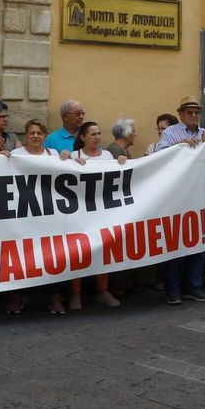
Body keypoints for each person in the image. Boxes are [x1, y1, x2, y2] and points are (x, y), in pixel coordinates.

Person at [152, 97, 205, 304]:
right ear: (180, 114)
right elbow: (159, 157)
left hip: (198, 194)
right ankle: (173, 288)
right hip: (175, 195)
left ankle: (193, 286)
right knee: (174, 241)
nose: (193, 115)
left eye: (196, 112)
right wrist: (179, 146)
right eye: (189, 112)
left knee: (198, 240)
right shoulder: (171, 133)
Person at [10, 120, 68, 316]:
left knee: (53, 255)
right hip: (24, 215)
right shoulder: (16, 154)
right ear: (26, 135)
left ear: (45, 136)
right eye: (32, 133)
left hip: (48, 215)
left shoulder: (53, 155)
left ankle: (55, 296)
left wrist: (69, 158)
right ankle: (18, 295)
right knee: (21, 255)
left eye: (39, 133)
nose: (35, 136)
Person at [68, 122, 122, 310]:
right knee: (78, 251)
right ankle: (76, 293)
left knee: (103, 250)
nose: (97, 137)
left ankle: (103, 291)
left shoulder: (107, 156)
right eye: (93, 134)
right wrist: (66, 159)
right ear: (83, 137)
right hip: (79, 212)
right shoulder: (74, 156)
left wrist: (122, 162)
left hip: (102, 212)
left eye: (99, 133)